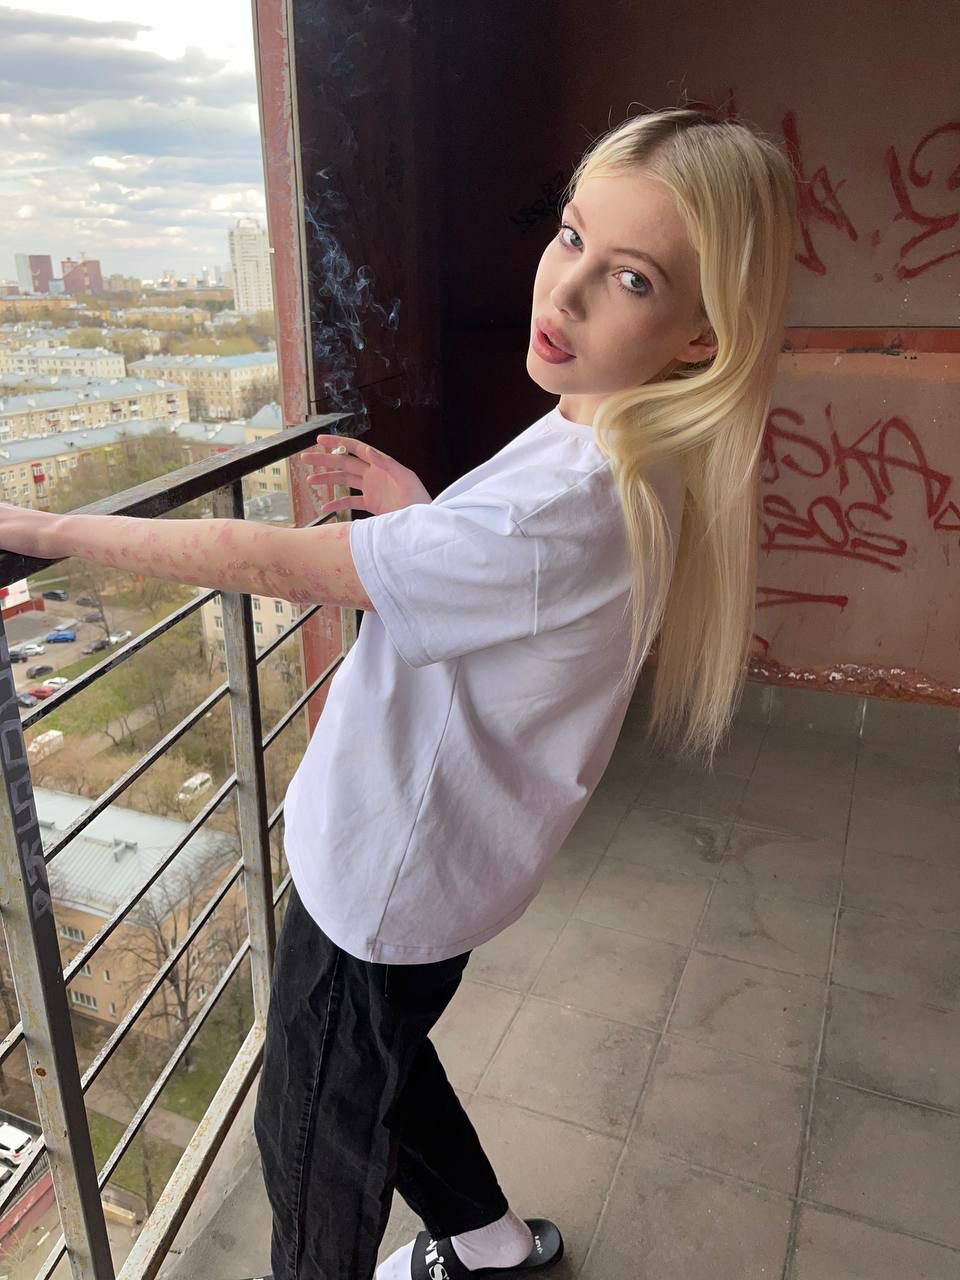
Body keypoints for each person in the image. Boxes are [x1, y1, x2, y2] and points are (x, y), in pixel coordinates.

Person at [0, 106, 798, 1279]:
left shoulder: (569, 497)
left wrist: (42, 529)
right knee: (380, 1067)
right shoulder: (614, 438)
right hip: (433, 872)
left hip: (384, 882)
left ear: (700, 335)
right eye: (571, 235)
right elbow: (511, 584)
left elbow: (283, 560)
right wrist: (429, 517)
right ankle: (494, 1246)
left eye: (631, 277)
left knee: (310, 1149)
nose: (566, 290)